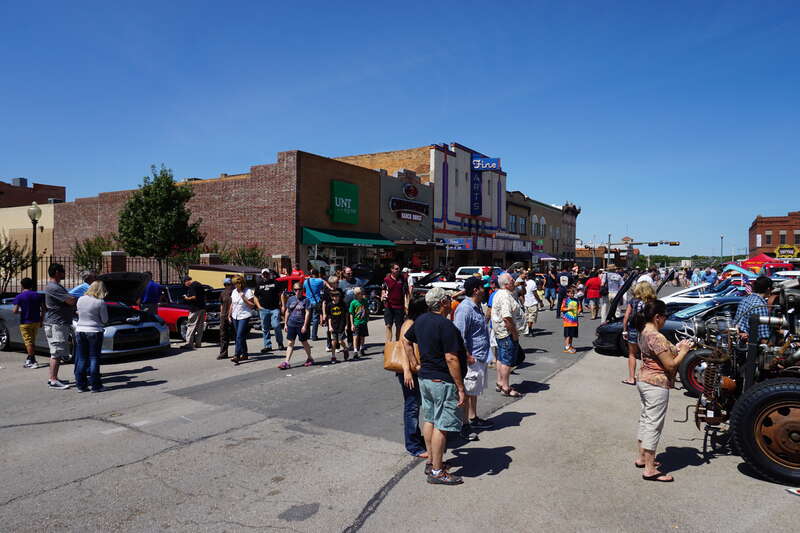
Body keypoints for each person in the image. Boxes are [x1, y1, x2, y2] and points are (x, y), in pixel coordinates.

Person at [402, 287, 466, 485]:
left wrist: (415, 364)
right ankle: (437, 471)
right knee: (442, 424)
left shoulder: (421, 320)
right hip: (441, 380)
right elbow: (451, 357)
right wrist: (460, 386)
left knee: (430, 419)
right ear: (443, 302)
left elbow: (406, 340)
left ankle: (432, 461)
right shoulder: (445, 325)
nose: (450, 300)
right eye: (448, 298)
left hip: (426, 378)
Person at [634, 299, 694, 482]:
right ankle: (650, 469)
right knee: (654, 424)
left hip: (644, 379)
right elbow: (670, 365)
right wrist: (683, 350)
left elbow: (659, 355)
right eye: (665, 317)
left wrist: (674, 349)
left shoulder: (644, 331)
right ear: (657, 317)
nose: (666, 320)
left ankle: (643, 458)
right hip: (656, 383)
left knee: (646, 419)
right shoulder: (656, 336)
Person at [453, 277, 494, 441]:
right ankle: (464, 425)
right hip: (471, 358)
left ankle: (473, 417)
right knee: (467, 391)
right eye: (482, 287)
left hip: (480, 355)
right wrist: (466, 355)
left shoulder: (476, 306)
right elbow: (458, 335)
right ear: (476, 290)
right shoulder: (465, 309)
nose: (485, 290)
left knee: (474, 390)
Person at [397, 296, 429, 458]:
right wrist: (407, 371)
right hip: (408, 371)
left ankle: (416, 438)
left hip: (414, 369)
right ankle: (413, 446)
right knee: (412, 406)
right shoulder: (408, 324)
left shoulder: (415, 323)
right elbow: (403, 347)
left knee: (415, 404)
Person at [491, 273, 524, 398]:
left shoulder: (500, 293)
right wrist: (514, 333)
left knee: (501, 357)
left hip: (500, 332)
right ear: (505, 284)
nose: (514, 281)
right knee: (507, 360)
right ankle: (505, 387)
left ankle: (500, 382)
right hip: (506, 333)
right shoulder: (505, 296)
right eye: (511, 280)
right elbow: (506, 318)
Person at [43, 263, 76, 389]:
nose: (64, 273)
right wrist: (72, 301)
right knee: (56, 353)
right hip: (56, 324)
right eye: (62, 270)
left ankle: (53, 378)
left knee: (57, 352)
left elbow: (70, 300)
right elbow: (71, 300)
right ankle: (53, 380)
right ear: (56, 272)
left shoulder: (56, 286)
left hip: (57, 323)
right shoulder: (54, 287)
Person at [74, 280, 108, 392]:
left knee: (82, 358)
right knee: (94, 358)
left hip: (80, 330)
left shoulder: (80, 299)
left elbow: (79, 313)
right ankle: (96, 385)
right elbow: (104, 320)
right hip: (94, 331)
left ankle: (81, 385)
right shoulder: (100, 302)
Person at [621, 282, 656, 385]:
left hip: (633, 328)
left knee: (632, 354)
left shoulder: (633, 301)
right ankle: (645, 376)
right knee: (646, 354)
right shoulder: (652, 301)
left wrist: (624, 330)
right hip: (647, 329)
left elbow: (626, 316)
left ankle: (631, 378)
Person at [13, 277, 46, 368]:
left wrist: (22, 311)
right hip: (36, 321)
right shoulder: (38, 295)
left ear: (22, 286)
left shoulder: (19, 296)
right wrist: (41, 320)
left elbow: (15, 311)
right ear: (32, 285)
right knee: (32, 341)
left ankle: (33, 361)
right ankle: (29, 358)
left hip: (25, 321)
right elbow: (43, 309)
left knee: (28, 342)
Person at [278, 282, 313, 369]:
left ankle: (310, 358)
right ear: (293, 290)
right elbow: (287, 311)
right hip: (291, 324)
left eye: (299, 289)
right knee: (290, 342)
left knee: (304, 342)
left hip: (301, 325)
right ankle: (286, 362)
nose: (298, 291)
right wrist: (285, 324)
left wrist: (305, 325)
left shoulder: (306, 300)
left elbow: (307, 313)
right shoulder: (290, 299)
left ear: (302, 290)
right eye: (296, 290)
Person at [733, 276, 773, 342]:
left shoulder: (745, 299)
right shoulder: (760, 306)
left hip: (739, 340)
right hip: (751, 345)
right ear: (768, 289)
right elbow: (763, 335)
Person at [255, 269, 284, 353]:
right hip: (263, 309)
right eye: (264, 274)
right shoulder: (259, 285)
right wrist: (259, 306)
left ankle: (280, 343)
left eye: (267, 274)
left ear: (269, 274)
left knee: (276, 325)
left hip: (274, 308)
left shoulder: (275, 283)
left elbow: (281, 294)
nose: (265, 275)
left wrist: (283, 305)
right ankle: (267, 346)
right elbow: (255, 296)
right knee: (265, 328)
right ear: (262, 275)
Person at [229, 276, 256, 364]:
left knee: (239, 336)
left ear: (241, 283)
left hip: (244, 315)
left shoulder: (248, 291)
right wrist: (229, 314)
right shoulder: (233, 292)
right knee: (240, 336)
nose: (235, 286)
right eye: (234, 284)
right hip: (235, 316)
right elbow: (232, 304)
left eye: (237, 284)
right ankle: (245, 354)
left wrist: (243, 297)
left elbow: (252, 305)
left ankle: (237, 355)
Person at [382, 263, 410, 342]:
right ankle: (388, 344)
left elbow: (407, 293)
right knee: (388, 325)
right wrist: (383, 296)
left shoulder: (402, 279)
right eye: (396, 269)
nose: (398, 270)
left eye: (399, 269)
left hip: (400, 307)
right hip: (389, 306)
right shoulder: (386, 279)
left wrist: (407, 305)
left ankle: (397, 343)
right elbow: (383, 289)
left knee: (399, 327)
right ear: (392, 270)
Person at [180, 276, 206, 350]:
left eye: (184, 283)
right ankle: (198, 343)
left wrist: (186, 298)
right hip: (202, 307)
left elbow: (194, 297)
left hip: (195, 308)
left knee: (191, 325)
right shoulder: (199, 285)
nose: (185, 285)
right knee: (200, 326)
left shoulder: (192, 286)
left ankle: (189, 344)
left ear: (187, 281)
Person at [324, 288, 348, 362]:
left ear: (339, 296)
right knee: (334, 341)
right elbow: (329, 317)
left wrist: (347, 325)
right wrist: (330, 327)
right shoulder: (329, 305)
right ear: (331, 297)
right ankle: (333, 356)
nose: (335, 297)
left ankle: (345, 349)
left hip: (341, 324)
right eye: (334, 296)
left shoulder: (342, 304)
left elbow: (346, 315)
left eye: (337, 296)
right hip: (333, 325)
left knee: (340, 341)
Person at [338, 267, 359, 350]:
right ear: (344, 274)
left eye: (351, 272)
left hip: (356, 308)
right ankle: (349, 343)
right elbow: (339, 296)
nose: (350, 274)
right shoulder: (341, 283)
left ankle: (356, 342)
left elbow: (362, 293)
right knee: (348, 326)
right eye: (348, 273)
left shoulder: (357, 282)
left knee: (356, 326)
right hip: (345, 308)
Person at [303, 269, 325, 342]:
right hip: (316, 302)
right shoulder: (319, 281)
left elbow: (304, 289)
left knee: (308, 318)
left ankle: (307, 335)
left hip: (308, 301)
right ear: (317, 274)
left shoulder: (306, 281)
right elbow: (323, 287)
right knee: (315, 319)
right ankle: (314, 336)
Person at [561, 286, 581, 353]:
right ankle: (567, 347)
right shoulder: (565, 300)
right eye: (570, 293)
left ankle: (570, 345)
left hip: (574, 320)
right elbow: (562, 308)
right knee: (567, 335)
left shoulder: (576, 300)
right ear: (567, 293)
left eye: (573, 293)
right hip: (567, 321)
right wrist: (568, 309)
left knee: (572, 335)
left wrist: (578, 311)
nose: (572, 294)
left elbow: (579, 308)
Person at [349, 286, 369, 358]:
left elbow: (366, 310)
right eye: (360, 293)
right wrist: (352, 324)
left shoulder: (364, 301)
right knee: (355, 336)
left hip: (363, 322)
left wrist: (367, 317)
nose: (362, 294)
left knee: (362, 336)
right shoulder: (353, 303)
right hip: (356, 322)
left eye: (362, 293)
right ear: (356, 294)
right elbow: (351, 314)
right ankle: (355, 351)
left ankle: (361, 348)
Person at [217, 278, 234, 360]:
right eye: (226, 284)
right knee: (223, 335)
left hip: (234, 316)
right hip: (224, 316)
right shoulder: (222, 293)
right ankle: (223, 353)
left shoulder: (235, 292)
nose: (227, 286)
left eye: (229, 284)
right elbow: (221, 304)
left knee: (236, 334)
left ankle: (240, 352)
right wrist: (221, 314)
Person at [523, 271, 543, 336]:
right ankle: (529, 329)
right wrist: (540, 301)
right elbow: (535, 293)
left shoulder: (525, 282)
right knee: (531, 317)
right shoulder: (533, 283)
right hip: (532, 302)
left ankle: (528, 330)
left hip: (526, 302)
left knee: (527, 317)